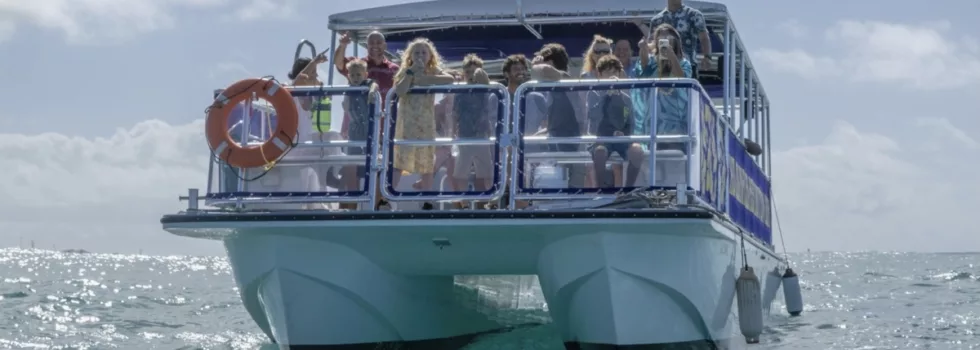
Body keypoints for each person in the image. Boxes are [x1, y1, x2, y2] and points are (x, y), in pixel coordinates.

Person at [392, 37, 456, 195]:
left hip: (426, 123)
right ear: (410, 56)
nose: (420, 55)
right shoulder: (405, 70)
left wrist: (426, 80)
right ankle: (385, 198)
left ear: (430, 56)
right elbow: (399, 90)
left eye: (423, 52)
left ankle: (427, 198)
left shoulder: (433, 70)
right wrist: (411, 74)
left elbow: (450, 78)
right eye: (416, 52)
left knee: (427, 163)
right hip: (407, 123)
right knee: (400, 162)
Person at [530, 43, 586, 188]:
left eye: (543, 59)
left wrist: (536, 65)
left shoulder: (564, 78)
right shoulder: (552, 87)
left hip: (571, 143)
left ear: (551, 62)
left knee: (571, 186)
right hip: (556, 141)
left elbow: (541, 71)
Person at [633, 23, 693, 151]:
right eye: (661, 36)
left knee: (674, 156)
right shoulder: (652, 62)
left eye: (668, 35)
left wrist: (671, 56)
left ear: (676, 40)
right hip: (654, 121)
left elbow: (683, 78)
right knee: (656, 160)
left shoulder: (684, 62)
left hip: (676, 121)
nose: (664, 38)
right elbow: (643, 72)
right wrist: (643, 49)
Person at [588, 55, 644, 187]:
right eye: (607, 72)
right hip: (600, 139)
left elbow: (630, 123)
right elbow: (593, 118)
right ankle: (600, 188)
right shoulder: (593, 94)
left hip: (621, 140)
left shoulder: (626, 98)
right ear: (599, 75)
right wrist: (606, 94)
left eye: (614, 72)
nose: (611, 75)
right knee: (600, 152)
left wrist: (624, 134)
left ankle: (628, 189)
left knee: (637, 150)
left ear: (620, 74)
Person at [334, 31, 400, 137]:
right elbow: (339, 63)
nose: (375, 45)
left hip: (385, 129)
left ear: (384, 45)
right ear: (367, 45)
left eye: (378, 42)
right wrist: (342, 45)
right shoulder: (357, 65)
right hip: (356, 129)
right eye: (371, 43)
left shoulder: (394, 69)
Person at [450, 56, 497, 194]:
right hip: (464, 134)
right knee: (461, 172)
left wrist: (484, 82)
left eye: (474, 72)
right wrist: (453, 132)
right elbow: (455, 113)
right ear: (464, 73)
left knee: (486, 171)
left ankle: (488, 200)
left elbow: (490, 109)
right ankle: (463, 200)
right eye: (468, 72)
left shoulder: (486, 89)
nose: (471, 75)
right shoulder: (460, 91)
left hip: (482, 135)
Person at [339, 59, 379, 200]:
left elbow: (374, 84)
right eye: (352, 75)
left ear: (365, 75)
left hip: (369, 128)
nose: (355, 78)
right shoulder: (348, 88)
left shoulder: (367, 84)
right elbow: (345, 106)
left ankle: (373, 196)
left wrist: (372, 91)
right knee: (352, 162)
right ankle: (352, 195)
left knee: (372, 161)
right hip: (354, 129)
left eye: (358, 75)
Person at [646, 0, 712, 79]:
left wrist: (707, 57)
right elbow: (651, 44)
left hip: (688, 66)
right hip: (662, 67)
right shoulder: (656, 20)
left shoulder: (694, 15)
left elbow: (704, 38)